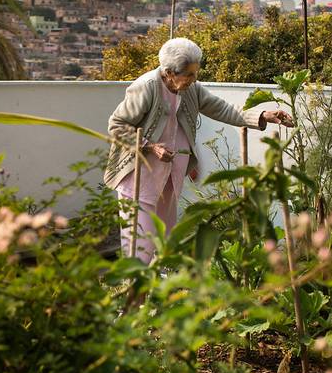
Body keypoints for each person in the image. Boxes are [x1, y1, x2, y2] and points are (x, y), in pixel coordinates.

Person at [104, 37, 293, 264]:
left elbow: (221, 108)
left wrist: (261, 116)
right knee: (139, 240)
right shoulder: (145, 88)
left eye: (196, 73)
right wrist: (150, 146)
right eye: (189, 74)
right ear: (169, 73)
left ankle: (160, 289)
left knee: (167, 238)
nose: (194, 79)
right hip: (139, 174)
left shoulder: (191, 89)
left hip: (169, 175)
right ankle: (136, 291)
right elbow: (117, 125)